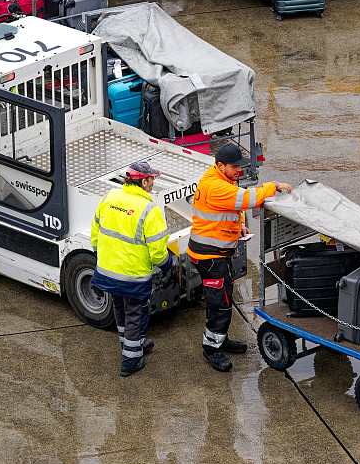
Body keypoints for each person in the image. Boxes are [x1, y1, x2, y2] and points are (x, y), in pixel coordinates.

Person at [188, 144, 292, 372]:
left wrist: (240, 227)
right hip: (210, 256)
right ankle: (212, 348)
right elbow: (248, 198)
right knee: (220, 304)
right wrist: (272, 186)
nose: (240, 171)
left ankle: (219, 339)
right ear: (220, 166)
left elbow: (223, 213)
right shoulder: (216, 186)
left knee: (222, 299)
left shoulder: (220, 178)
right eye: (235, 167)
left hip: (216, 253)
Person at [91, 161, 175, 377]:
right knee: (136, 314)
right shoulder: (148, 209)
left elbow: (96, 230)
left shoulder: (109, 198)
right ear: (143, 181)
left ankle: (130, 344)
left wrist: (101, 257)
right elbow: (157, 250)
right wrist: (167, 264)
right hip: (133, 276)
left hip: (107, 271)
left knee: (119, 307)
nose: (153, 182)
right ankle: (131, 360)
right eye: (152, 179)